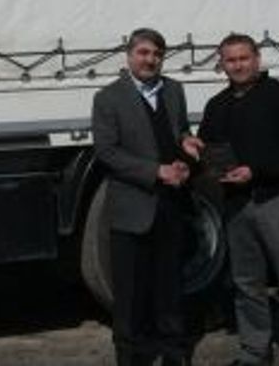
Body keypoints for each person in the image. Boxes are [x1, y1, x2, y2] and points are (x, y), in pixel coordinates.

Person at [184, 34, 279, 365]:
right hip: (236, 205)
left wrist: (255, 171)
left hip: (278, 200)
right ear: (222, 65)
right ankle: (254, 353)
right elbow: (209, 152)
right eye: (230, 60)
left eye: (244, 58)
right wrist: (194, 150)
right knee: (247, 284)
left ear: (257, 59)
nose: (238, 65)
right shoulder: (217, 105)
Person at [92, 27, 194, 366]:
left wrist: (186, 145)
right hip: (132, 210)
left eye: (157, 54)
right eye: (144, 53)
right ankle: (131, 357)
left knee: (170, 288)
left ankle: (175, 354)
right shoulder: (108, 98)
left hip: (171, 204)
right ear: (129, 55)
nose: (150, 60)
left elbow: (179, 132)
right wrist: (155, 172)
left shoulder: (174, 90)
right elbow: (107, 152)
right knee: (130, 295)